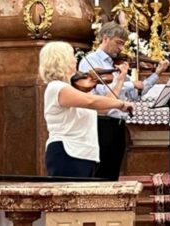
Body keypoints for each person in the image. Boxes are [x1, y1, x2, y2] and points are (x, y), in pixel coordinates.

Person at [78, 21, 169, 181]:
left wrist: (156, 75)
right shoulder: (90, 61)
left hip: (118, 124)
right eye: (118, 43)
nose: (121, 48)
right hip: (101, 122)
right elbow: (102, 93)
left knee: (113, 173)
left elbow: (134, 94)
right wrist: (128, 82)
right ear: (106, 38)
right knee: (101, 173)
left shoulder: (117, 64)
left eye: (123, 44)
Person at [39, 41, 133, 178]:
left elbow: (103, 108)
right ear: (61, 60)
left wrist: (120, 80)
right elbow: (91, 101)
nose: (75, 59)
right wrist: (120, 104)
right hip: (68, 152)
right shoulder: (57, 87)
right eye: (71, 56)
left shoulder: (73, 88)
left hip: (84, 153)